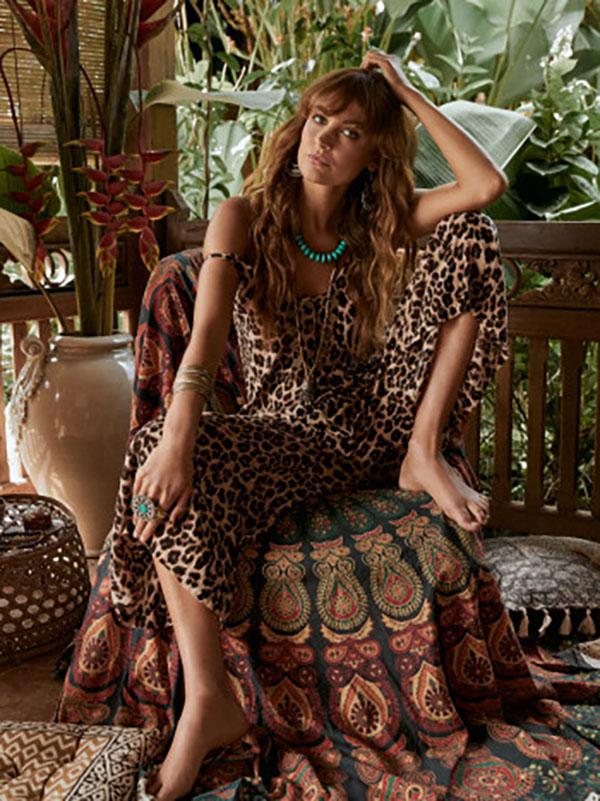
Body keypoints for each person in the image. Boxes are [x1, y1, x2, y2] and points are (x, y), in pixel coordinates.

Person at [109, 49, 509, 801]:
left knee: (475, 233)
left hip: (380, 423)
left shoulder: (379, 225)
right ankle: (209, 700)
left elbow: (484, 185)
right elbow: (205, 336)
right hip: (285, 433)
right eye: (319, 119)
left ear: (373, 155)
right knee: (155, 453)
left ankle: (423, 454)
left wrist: (405, 93)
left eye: (350, 132)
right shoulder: (245, 219)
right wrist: (178, 436)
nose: (323, 139)